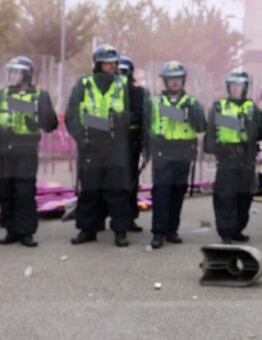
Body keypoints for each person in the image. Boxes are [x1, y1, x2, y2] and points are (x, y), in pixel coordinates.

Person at [66, 45, 133, 247]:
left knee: (117, 192)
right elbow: (72, 116)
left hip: (114, 146)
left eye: (114, 63)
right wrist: (82, 138)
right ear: (97, 64)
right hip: (90, 145)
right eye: (107, 63)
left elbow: (127, 113)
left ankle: (120, 231)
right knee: (89, 191)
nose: (112, 66)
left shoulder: (122, 85)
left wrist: (121, 120)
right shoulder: (83, 85)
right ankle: (87, 230)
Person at [0, 56, 58, 247]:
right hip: (4, 149)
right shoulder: (3, 94)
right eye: (12, 72)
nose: (13, 76)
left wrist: (39, 116)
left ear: (26, 74)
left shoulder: (39, 95)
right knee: (5, 191)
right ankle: (11, 230)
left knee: (24, 191)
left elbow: (50, 124)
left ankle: (25, 232)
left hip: (26, 149)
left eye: (17, 72)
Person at [147, 61, 206, 249]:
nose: (175, 82)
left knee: (177, 194)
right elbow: (147, 128)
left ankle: (172, 230)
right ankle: (158, 232)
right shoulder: (154, 102)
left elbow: (201, 127)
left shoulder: (193, 102)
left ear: (183, 81)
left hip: (183, 152)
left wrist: (193, 113)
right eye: (171, 79)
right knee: (161, 193)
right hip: (163, 152)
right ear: (165, 81)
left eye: (178, 79)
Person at [205, 68, 261, 244]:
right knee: (225, 196)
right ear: (228, 87)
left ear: (246, 87)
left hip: (246, 158)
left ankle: (237, 229)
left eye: (240, 85)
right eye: (234, 85)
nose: (237, 89)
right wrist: (217, 149)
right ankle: (226, 232)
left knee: (244, 197)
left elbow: (259, 131)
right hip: (227, 158)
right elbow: (211, 133)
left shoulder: (252, 108)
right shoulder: (219, 106)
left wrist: (247, 127)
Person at [118, 55, 149, 233]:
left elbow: (142, 115)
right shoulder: (109, 91)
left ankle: (129, 219)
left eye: (124, 72)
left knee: (130, 182)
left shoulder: (138, 92)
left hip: (131, 141)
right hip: (110, 142)